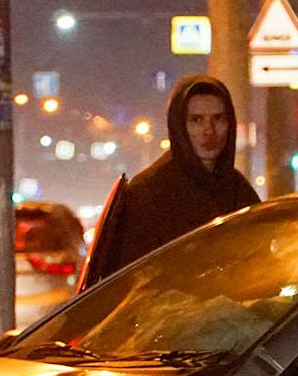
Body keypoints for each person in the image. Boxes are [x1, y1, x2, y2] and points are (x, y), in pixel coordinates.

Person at [82, 74, 259, 286]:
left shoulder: (237, 190)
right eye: (196, 120)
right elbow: (131, 283)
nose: (209, 131)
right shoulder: (147, 194)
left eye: (219, 118)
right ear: (178, 126)